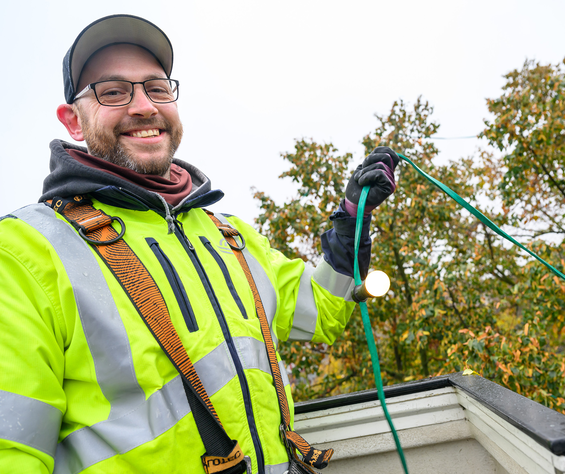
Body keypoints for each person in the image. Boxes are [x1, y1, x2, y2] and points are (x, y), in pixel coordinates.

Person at [0, 14, 399, 474]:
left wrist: (350, 222)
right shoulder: (24, 251)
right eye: (112, 91)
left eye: (156, 87)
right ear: (73, 120)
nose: (143, 107)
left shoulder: (230, 235)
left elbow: (321, 309)